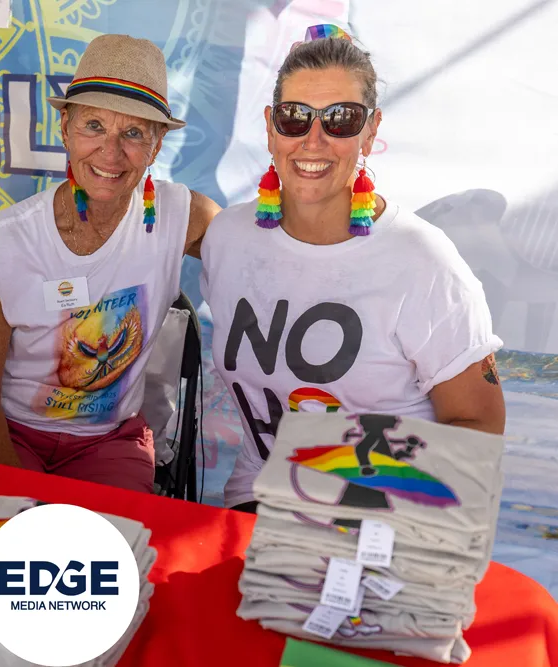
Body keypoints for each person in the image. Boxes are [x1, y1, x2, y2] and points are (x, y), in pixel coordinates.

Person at [199, 26, 506, 512]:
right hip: (257, 503)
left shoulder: (423, 261)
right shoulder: (228, 239)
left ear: (371, 129)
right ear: (271, 126)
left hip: (381, 513)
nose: (313, 140)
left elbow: (479, 426)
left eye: (341, 120)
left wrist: (354, 492)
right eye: (295, 117)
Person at [0, 34, 221, 493]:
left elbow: (260, 253)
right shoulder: (7, 243)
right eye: (94, 125)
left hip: (107, 441)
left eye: (134, 133)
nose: (111, 152)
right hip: (7, 429)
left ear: (156, 145)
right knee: (6, 527)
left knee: (113, 535)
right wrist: (25, 498)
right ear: (65, 128)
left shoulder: (179, 216)